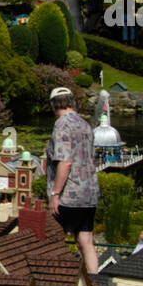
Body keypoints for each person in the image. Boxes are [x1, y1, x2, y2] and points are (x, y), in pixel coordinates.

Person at [43, 86, 100, 272]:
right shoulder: (85, 124)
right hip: (90, 193)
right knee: (86, 240)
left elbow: (65, 163)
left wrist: (55, 194)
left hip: (70, 194)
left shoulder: (61, 125)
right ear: (72, 103)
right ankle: (95, 283)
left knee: (52, 239)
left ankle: (57, 282)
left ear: (53, 106)